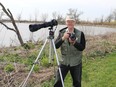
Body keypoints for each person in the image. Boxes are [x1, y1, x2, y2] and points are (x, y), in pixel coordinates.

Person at [54, 14, 86, 87]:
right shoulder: (61, 33)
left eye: (72, 21)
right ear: (66, 23)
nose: (70, 23)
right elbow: (55, 46)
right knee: (58, 82)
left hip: (76, 62)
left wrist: (74, 43)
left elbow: (82, 47)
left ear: (74, 22)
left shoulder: (80, 34)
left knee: (77, 83)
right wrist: (63, 38)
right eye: (68, 21)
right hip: (64, 62)